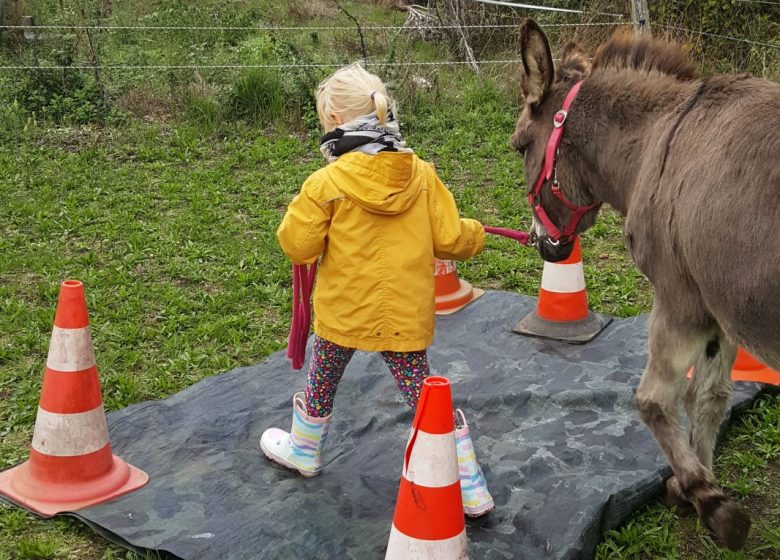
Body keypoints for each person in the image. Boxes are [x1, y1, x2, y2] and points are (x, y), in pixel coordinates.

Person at [260, 63, 493, 517]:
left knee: (321, 381)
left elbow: (298, 245)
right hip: (403, 314)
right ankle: (466, 484)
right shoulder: (421, 174)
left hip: (343, 315)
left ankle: (304, 451)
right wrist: (477, 233)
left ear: (333, 123)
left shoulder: (324, 184)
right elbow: (449, 238)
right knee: (425, 394)